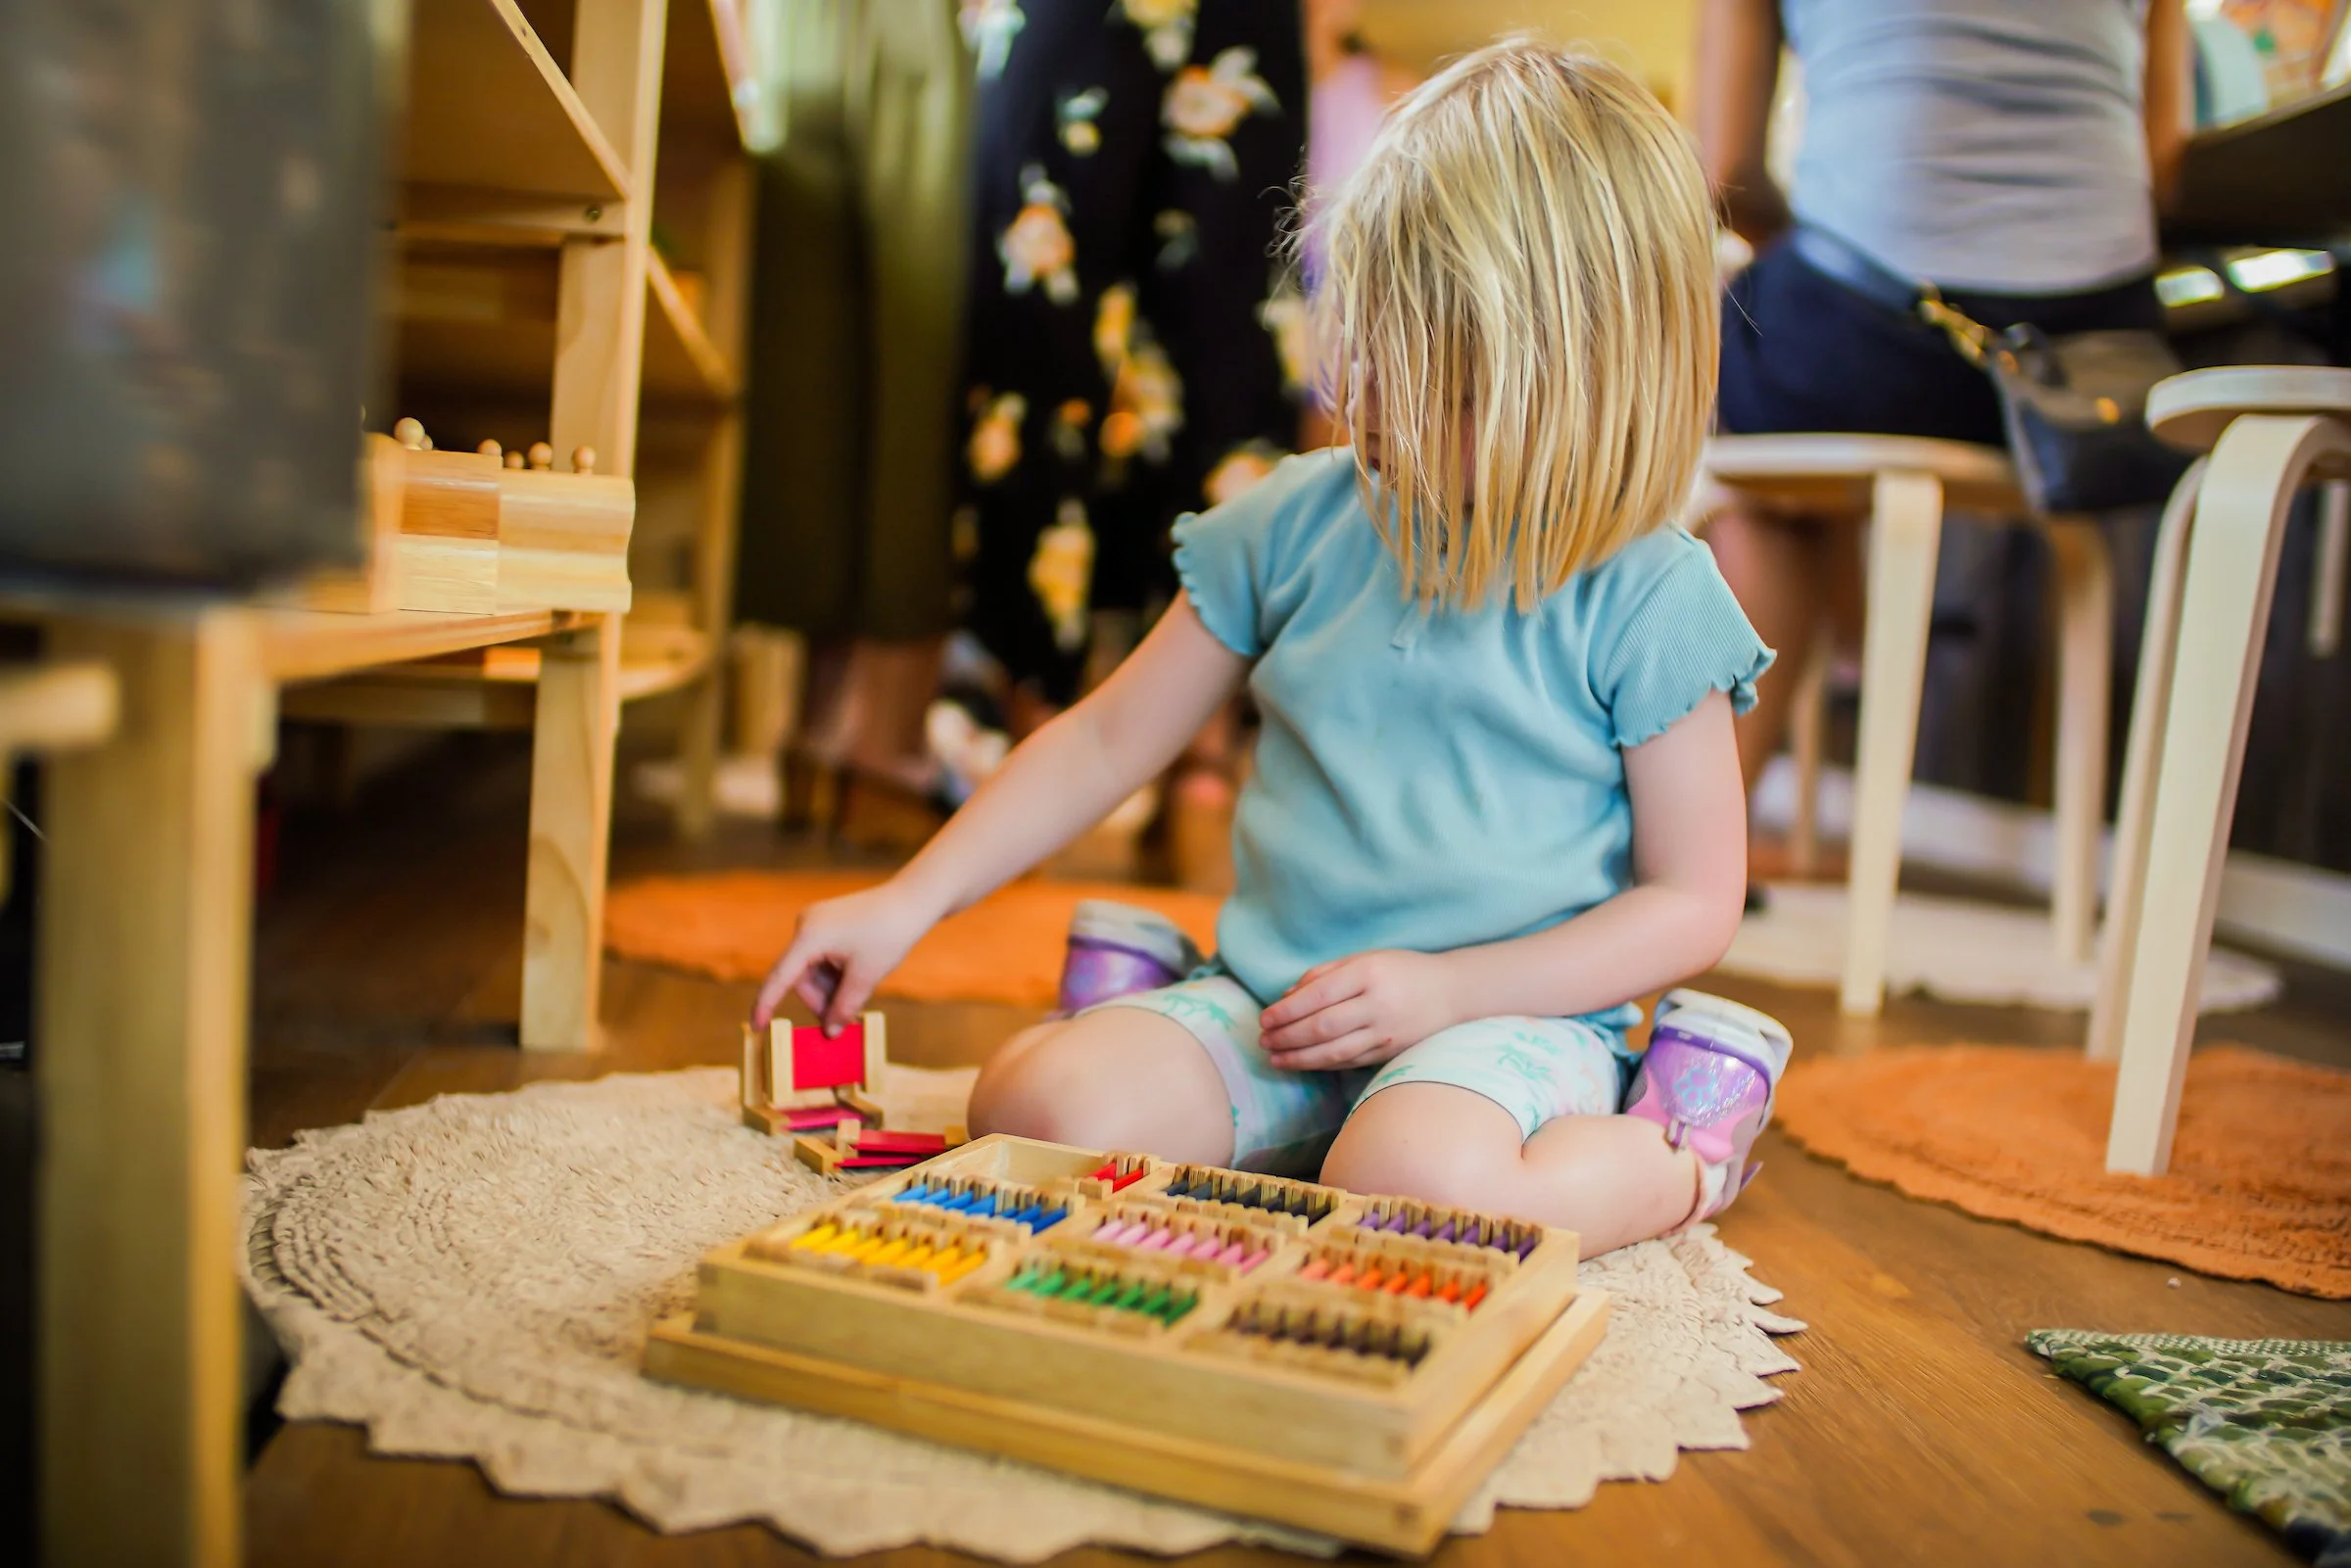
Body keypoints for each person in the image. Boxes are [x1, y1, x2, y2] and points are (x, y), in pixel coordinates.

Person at [754, 42, 1784, 1255]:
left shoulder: (1653, 593)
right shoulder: (1294, 520)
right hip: (1276, 1004)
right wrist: (905, 898)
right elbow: (1101, 739)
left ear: (1582, 383)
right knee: (1035, 1110)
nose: (1371, 403)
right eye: (1372, 346)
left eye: (1432, 380)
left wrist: (1448, 991)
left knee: (1417, 1195)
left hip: (1507, 1023)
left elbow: (1692, 900)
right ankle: (1166, 1023)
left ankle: (1686, 1143)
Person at [1696, 0, 2191, 790]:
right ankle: (1852, 634)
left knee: (1758, 435)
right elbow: (2165, 169)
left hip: (1868, 331)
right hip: (2085, 356)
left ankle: (1712, 823)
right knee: (1796, 403)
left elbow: (1726, 172)